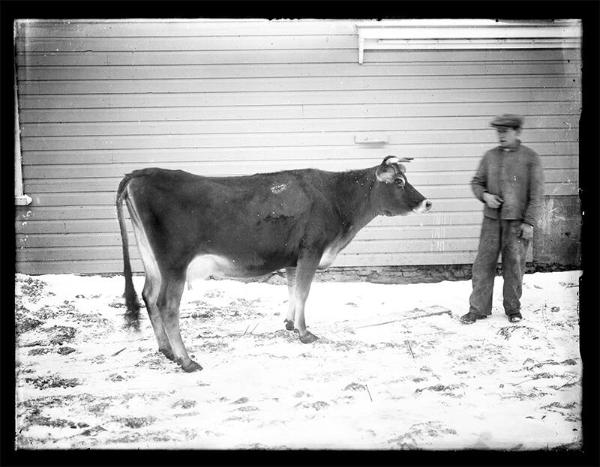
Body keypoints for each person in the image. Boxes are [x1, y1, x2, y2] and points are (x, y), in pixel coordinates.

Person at [460, 114, 544, 324]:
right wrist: (485, 196)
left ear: (517, 132)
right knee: (483, 265)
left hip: (517, 224)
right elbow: (476, 183)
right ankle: (477, 308)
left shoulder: (530, 158)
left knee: (514, 267)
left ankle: (513, 309)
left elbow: (537, 195)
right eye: (499, 131)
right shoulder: (490, 156)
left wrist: (529, 222)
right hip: (491, 222)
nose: (501, 135)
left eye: (505, 131)